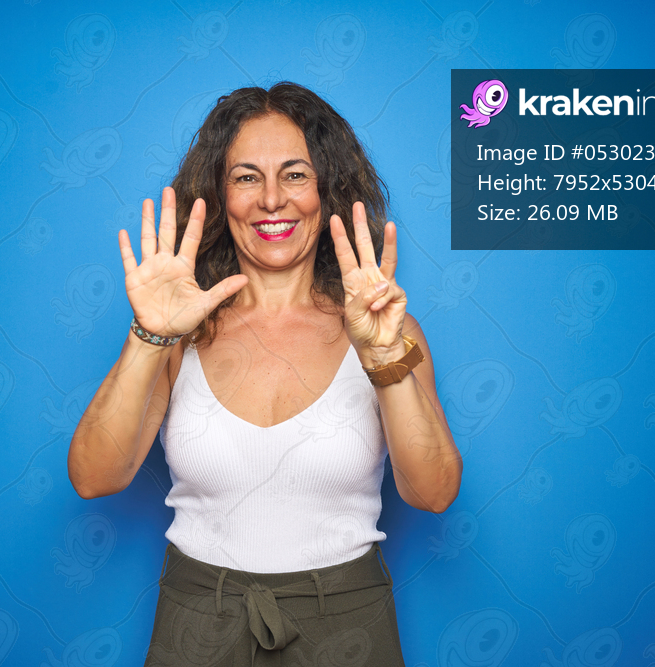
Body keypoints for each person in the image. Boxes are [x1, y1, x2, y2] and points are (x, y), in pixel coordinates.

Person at [67, 82, 462, 666]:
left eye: (296, 175)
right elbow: (93, 477)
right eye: (247, 177)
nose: (272, 199)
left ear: (327, 189)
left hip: (348, 622)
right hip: (198, 619)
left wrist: (384, 361)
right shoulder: (180, 333)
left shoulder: (388, 329)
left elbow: (432, 494)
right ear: (219, 195)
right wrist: (149, 335)